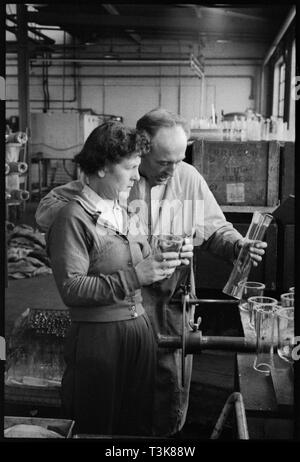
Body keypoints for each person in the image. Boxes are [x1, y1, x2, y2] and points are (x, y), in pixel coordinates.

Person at [36, 108, 267, 437]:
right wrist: (96, 212)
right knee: (106, 407)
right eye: (163, 162)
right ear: (141, 151)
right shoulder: (112, 180)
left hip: (169, 306)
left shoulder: (185, 177)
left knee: (164, 397)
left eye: (179, 160)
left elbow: (216, 231)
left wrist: (236, 247)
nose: (173, 171)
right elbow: (47, 214)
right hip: (117, 306)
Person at [45, 121, 183, 436]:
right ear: (104, 167)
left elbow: (138, 265)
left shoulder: (122, 211)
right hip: (100, 339)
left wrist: (164, 260)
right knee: (96, 426)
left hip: (139, 331)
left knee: (134, 425)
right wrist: (135, 276)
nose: (137, 175)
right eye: (131, 167)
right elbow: (72, 288)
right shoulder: (73, 218)